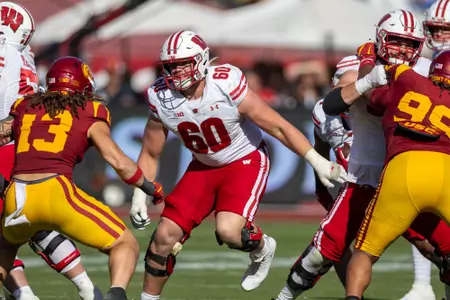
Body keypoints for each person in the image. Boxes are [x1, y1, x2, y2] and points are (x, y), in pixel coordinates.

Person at [129, 30, 346, 300]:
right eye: (171, 65)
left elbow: (277, 125)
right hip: (202, 166)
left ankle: (261, 248)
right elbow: (150, 151)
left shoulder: (224, 83)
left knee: (229, 231)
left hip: (244, 160)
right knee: (163, 237)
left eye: (184, 63)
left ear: (201, 60)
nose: (177, 71)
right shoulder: (159, 96)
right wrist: (140, 192)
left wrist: (316, 160)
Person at [273, 9, 450, 300]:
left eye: (409, 44)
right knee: (320, 255)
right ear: (381, 38)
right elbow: (330, 105)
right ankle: (282, 297)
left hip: (409, 173)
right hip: (366, 175)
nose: (403, 50)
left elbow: (381, 103)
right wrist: (366, 76)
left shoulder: (428, 69)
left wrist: (370, 68)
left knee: (443, 252)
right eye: (396, 41)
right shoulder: (356, 67)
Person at [0, 56, 163, 300]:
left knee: (4, 247)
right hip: (55, 191)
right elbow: (116, 159)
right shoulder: (90, 110)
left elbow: (4, 130)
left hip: (17, 195)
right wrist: (149, 186)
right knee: (124, 244)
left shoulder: (25, 106)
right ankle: (115, 295)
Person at [0, 2, 101, 300]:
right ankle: (86, 288)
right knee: (33, 225)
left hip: (6, 144)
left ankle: (26, 296)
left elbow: (5, 112)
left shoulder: (7, 55)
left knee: (12, 229)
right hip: (27, 145)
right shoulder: (23, 54)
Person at [339, 49, 450, 300]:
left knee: (364, 251)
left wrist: (367, 60)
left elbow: (368, 87)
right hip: (445, 174)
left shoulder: (406, 77)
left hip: (404, 170)